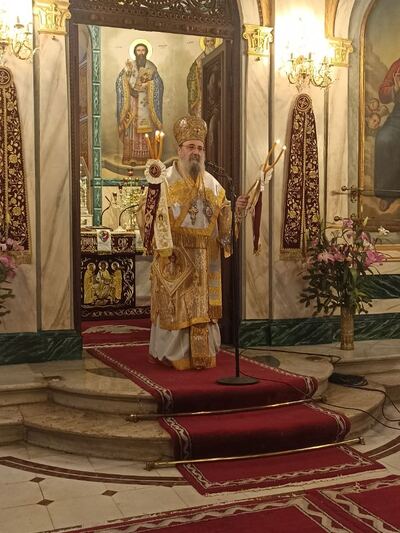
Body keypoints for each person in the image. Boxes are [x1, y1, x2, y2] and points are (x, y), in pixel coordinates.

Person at [143, 115, 248, 370]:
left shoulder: (213, 184)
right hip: (175, 258)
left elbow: (223, 224)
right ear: (180, 150)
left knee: (202, 309)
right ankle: (172, 354)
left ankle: (203, 353)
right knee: (177, 308)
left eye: (200, 148)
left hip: (204, 261)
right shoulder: (163, 180)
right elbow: (146, 215)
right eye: (191, 146)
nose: (196, 152)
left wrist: (236, 211)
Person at [116, 43, 164, 165]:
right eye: (138, 50)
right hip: (132, 102)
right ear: (135, 52)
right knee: (131, 128)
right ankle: (131, 157)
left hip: (147, 104)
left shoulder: (151, 67)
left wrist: (149, 85)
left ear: (146, 52)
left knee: (147, 129)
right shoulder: (129, 65)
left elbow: (159, 84)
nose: (141, 53)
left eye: (143, 50)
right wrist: (128, 83)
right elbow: (120, 82)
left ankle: (148, 157)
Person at [374, 58, 400, 211]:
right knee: (383, 139)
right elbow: (383, 93)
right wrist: (395, 88)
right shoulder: (398, 65)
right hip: (399, 114)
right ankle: (387, 193)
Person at [187, 37, 217, 117]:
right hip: (202, 92)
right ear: (204, 43)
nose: (210, 43)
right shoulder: (198, 61)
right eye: (208, 41)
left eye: (212, 41)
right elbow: (191, 77)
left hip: (215, 91)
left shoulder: (219, 56)